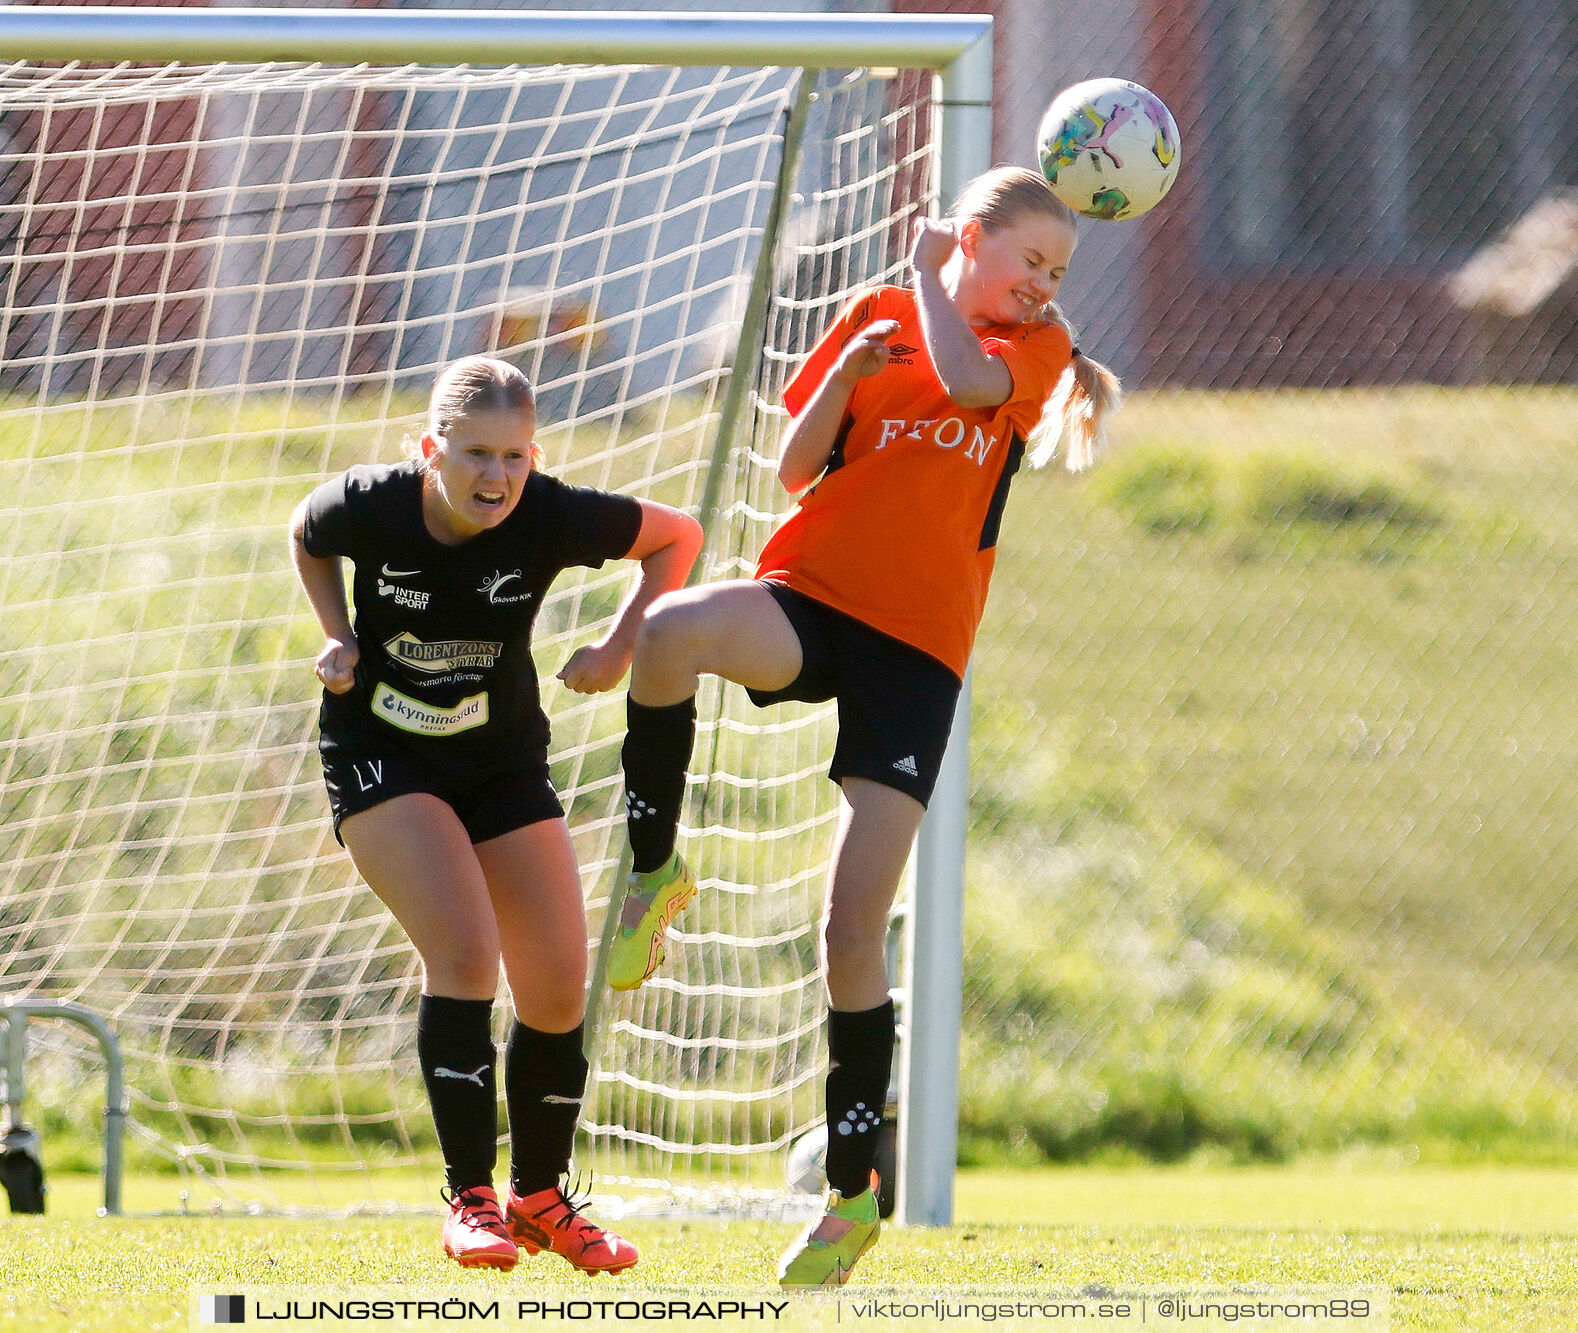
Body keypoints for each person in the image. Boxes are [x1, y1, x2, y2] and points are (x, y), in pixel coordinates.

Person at [605, 166, 1120, 1286]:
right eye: (1028, 260)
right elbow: (796, 471)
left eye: (1056, 271)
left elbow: (971, 383)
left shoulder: (1035, 350)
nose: (1043, 285)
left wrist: (936, 282)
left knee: (852, 931)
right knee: (670, 633)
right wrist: (843, 368)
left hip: (917, 657)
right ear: (974, 239)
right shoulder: (880, 318)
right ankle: (654, 871)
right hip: (813, 600)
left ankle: (849, 1197)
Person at [289, 355, 703, 1272]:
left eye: (515, 456)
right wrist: (336, 633)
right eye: (475, 453)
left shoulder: (550, 511)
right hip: (382, 754)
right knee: (467, 955)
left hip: (502, 761)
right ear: (429, 449)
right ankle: (470, 1198)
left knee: (557, 981)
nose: (497, 476)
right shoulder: (371, 503)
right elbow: (305, 532)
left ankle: (541, 1198)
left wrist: (621, 642)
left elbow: (679, 535)